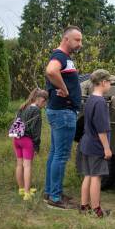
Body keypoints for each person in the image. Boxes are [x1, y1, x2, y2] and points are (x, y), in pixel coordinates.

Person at [44, 25, 83, 209]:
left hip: (58, 111)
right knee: (61, 155)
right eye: (77, 40)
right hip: (64, 112)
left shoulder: (64, 58)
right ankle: (55, 196)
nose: (80, 44)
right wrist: (66, 90)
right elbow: (51, 71)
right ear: (66, 39)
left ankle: (50, 191)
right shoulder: (59, 56)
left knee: (54, 153)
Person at [77, 69, 115, 218]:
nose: (111, 84)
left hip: (86, 143)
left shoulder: (90, 98)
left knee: (88, 175)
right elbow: (102, 130)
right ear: (103, 82)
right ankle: (96, 210)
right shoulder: (100, 103)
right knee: (96, 177)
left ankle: (84, 206)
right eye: (110, 82)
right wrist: (107, 148)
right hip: (96, 146)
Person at [12, 88, 48, 201]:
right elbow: (35, 131)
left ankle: (21, 189)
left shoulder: (23, 106)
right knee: (27, 166)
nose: (45, 104)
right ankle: (27, 194)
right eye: (44, 102)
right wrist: (36, 146)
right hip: (27, 141)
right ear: (40, 99)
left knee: (19, 165)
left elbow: (16, 123)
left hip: (16, 139)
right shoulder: (36, 110)